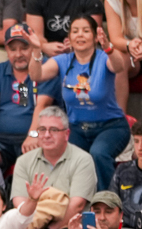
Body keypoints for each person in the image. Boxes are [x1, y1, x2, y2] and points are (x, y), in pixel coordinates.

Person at [27, 16, 125, 189]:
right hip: (77, 128)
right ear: (69, 38)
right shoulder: (63, 60)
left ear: (95, 37)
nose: (80, 35)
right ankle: (73, 204)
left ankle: (107, 202)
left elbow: (119, 66)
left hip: (111, 126)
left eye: (86, 31)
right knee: (65, 156)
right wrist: (37, 49)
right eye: (75, 31)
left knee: (98, 154)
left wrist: (108, 47)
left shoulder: (103, 58)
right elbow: (37, 76)